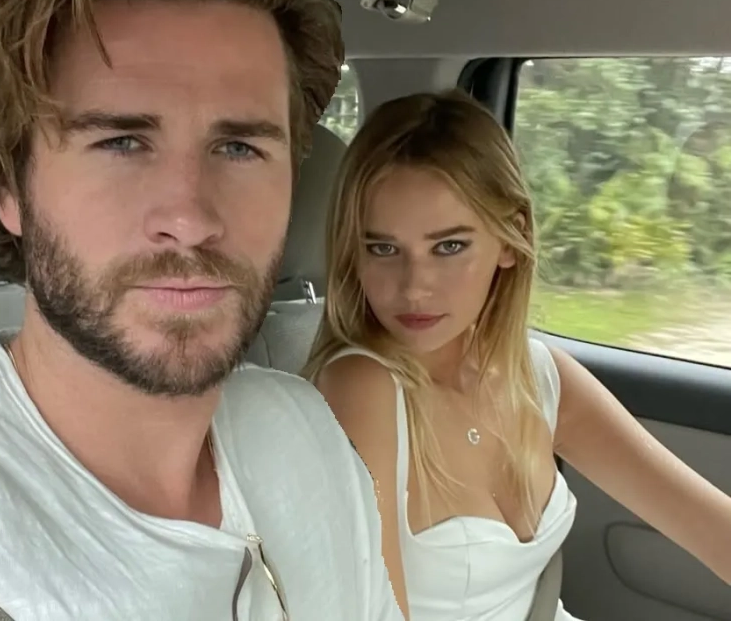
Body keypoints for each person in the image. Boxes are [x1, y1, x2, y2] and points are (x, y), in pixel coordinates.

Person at [0, 0, 404, 619]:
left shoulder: (305, 427)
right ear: (9, 187)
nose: (190, 219)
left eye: (239, 147)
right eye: (122, 142)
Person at [303, 89, 731, 620]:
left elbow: (714, 529)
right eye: (383, 248)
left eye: (449, 246)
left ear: (510, 240)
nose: (414, 287)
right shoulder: (360, 389)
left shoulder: (541, 377)